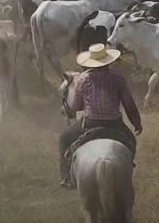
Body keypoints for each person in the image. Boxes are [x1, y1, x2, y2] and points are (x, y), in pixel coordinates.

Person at [58, 43, 142, 188]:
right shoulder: (118, 79)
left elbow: (75, 106)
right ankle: (129, 163)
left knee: (64, 139)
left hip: (90, 123)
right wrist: (136, 122)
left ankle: (66, 177)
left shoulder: (82, 79)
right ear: (107, 61)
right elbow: (129, 104)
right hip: (115, 124)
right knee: (131, 141)